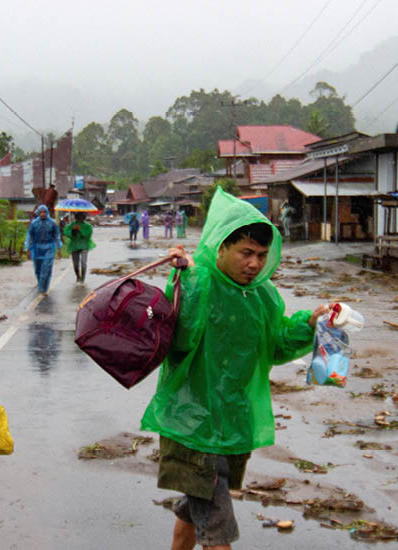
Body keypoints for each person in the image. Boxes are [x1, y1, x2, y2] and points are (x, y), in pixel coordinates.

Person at [141, 188, 331, 550]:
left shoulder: (262, 296)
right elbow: (179, 338)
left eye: (261, 255)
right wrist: (189, 278)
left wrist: (308, 324)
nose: (255, 264)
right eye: (246, 253)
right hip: (193, 426)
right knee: (218, 532)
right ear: (221, 248)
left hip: (233, 425)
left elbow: (274, 344)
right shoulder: (197, 282)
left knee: (193, 510)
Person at [24, 204, 61, 295]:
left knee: (46, 268)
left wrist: (59, 247)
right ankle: (40, 283)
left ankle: (43, 289)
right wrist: (28, 247)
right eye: (41, 212)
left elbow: (56, 235)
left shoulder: (52, 223)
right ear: (38, 213)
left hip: (49, 247)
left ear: (47, 212)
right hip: (37, 248)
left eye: (44, 212)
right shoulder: (34, 223)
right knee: (38, 269)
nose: (43, 214)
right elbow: (30, 236)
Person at [63, 212, 95, 283]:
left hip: (84, 245)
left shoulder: (88, 226)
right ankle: (78, 276)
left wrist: (80, 230)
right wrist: (73, 230)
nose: (80, 218)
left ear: (84, 217)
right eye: (78, 216)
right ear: (76, 217)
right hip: (74, 246)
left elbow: (88, 235)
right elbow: (66, 232)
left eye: (82, 216)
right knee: (76, 264)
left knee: (83, 263)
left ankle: (82, 279)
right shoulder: (71, 225)